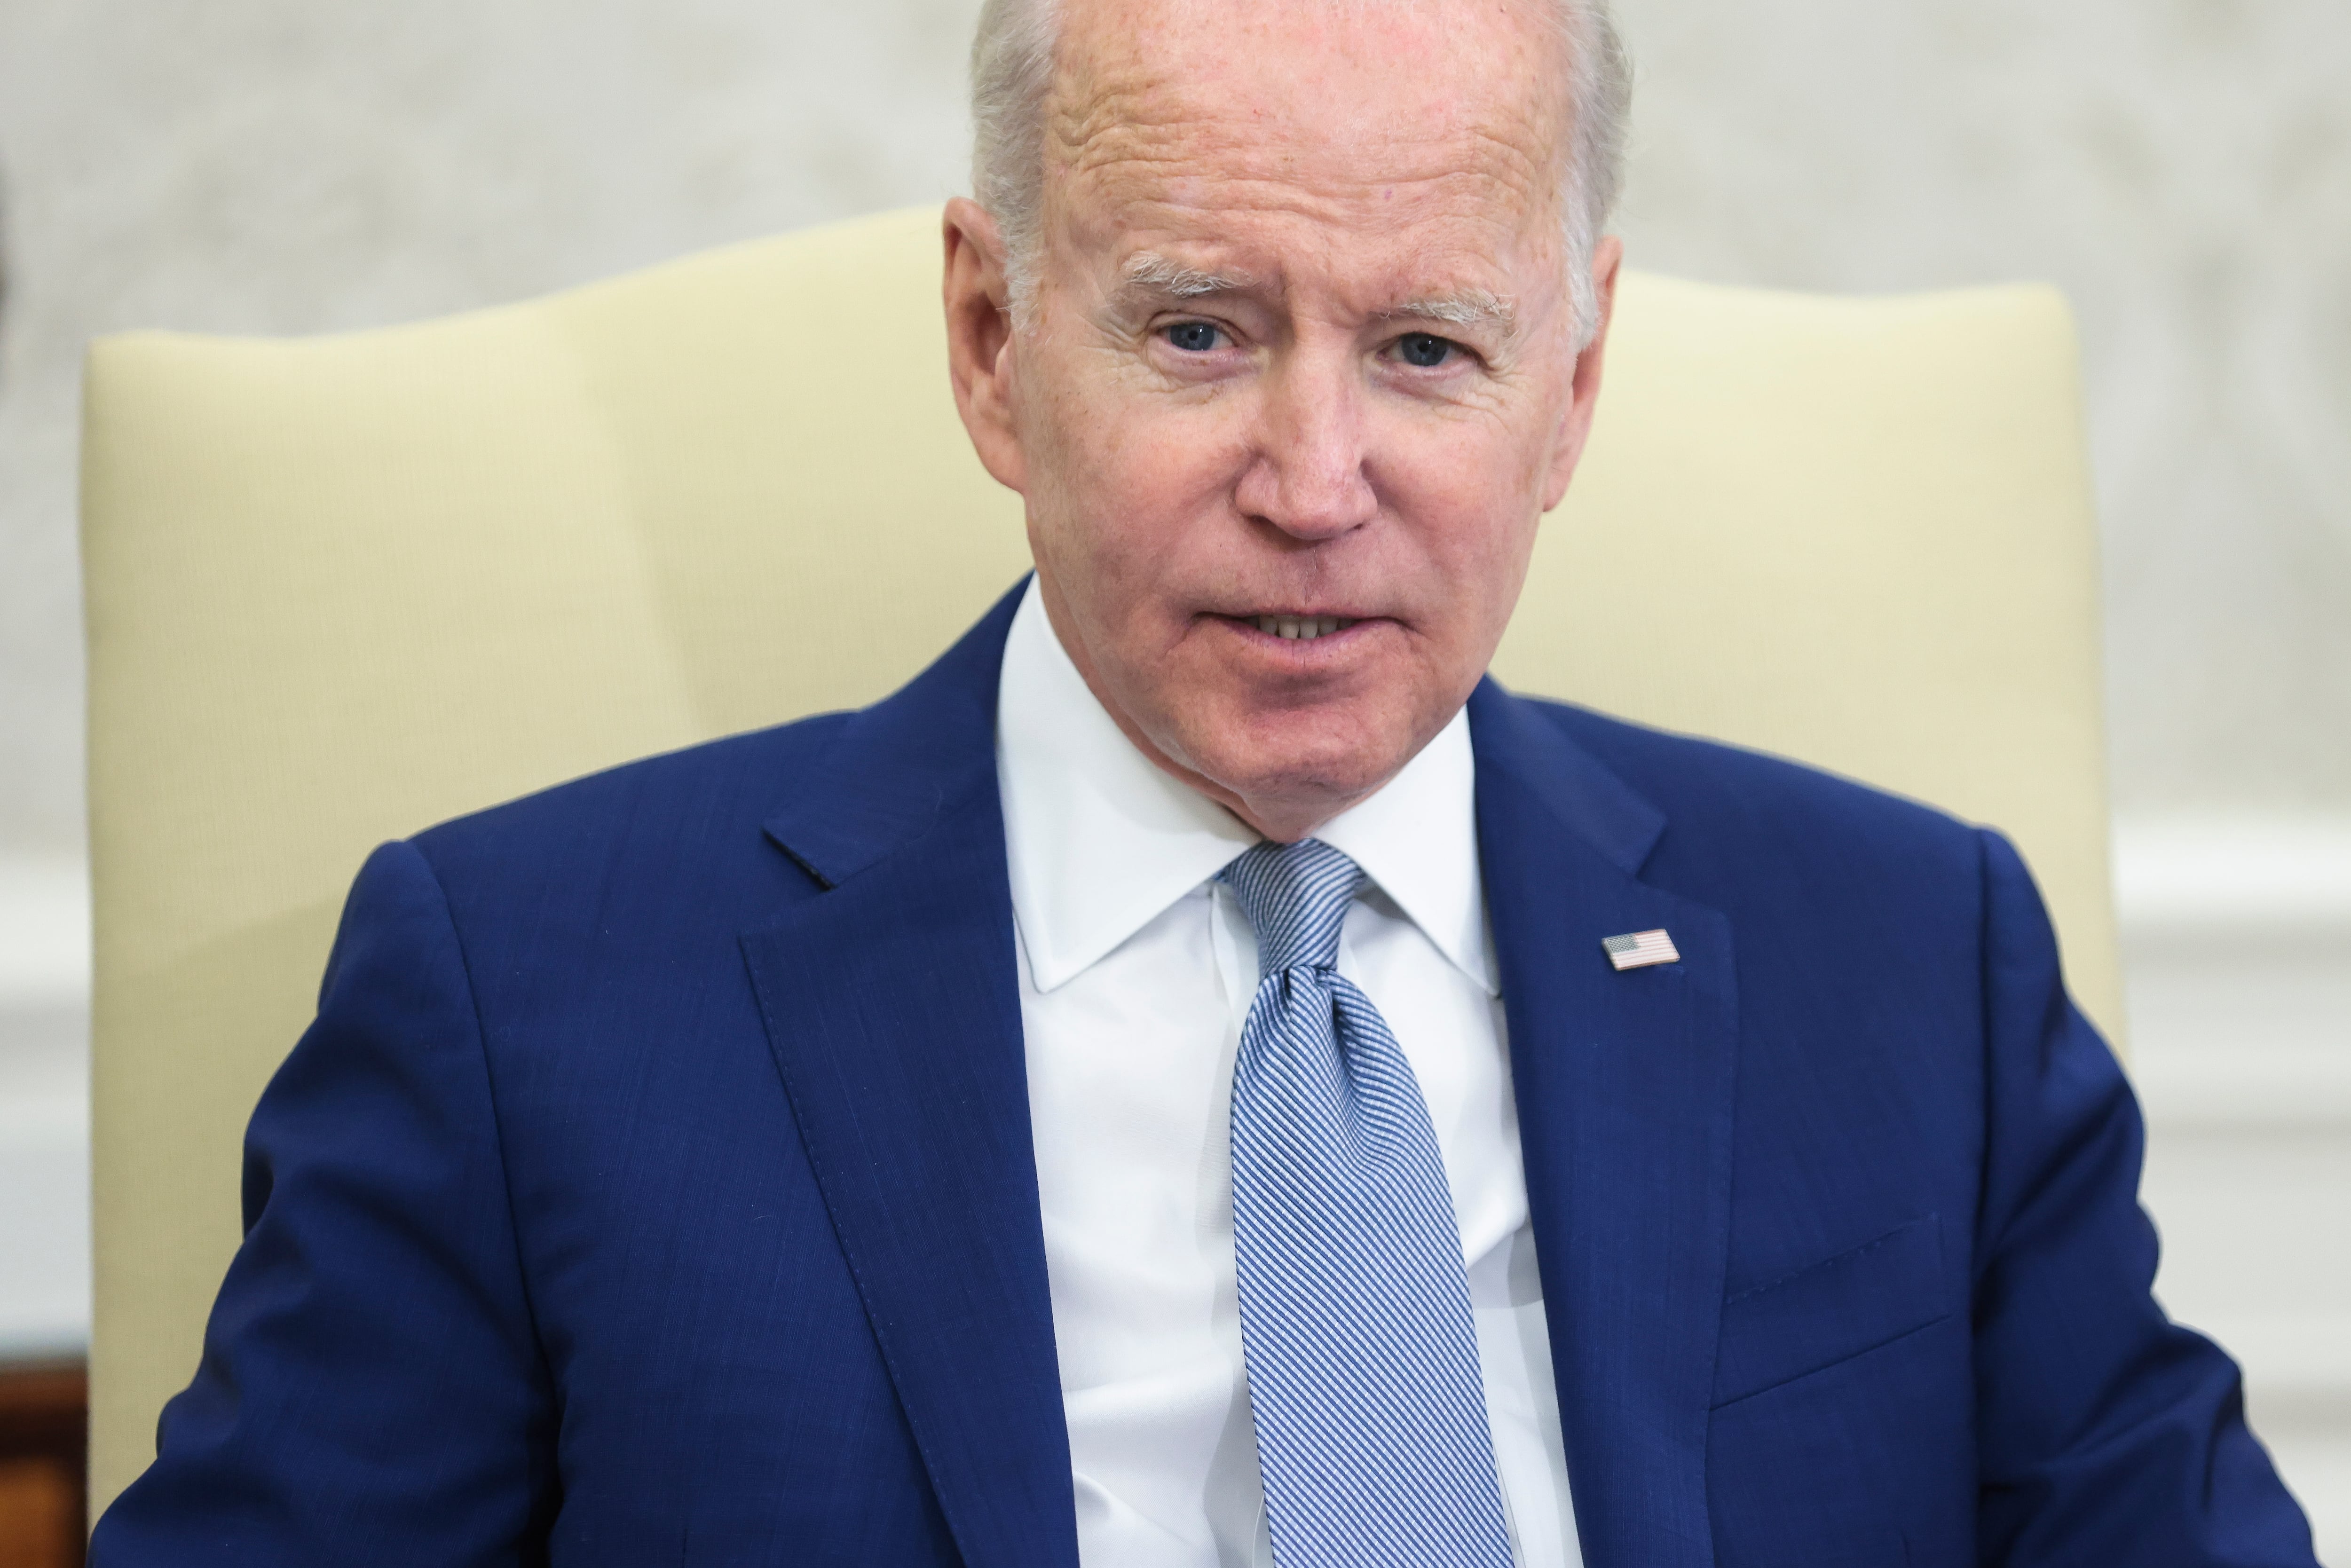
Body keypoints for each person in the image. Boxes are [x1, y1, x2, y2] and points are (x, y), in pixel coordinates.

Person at [91, 0, 2318, 1563]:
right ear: (990, 341)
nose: (1312, 482)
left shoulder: (1900, 966)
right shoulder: (531, 1005)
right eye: (1197, 331)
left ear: (1572, 388)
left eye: (1426, 350)